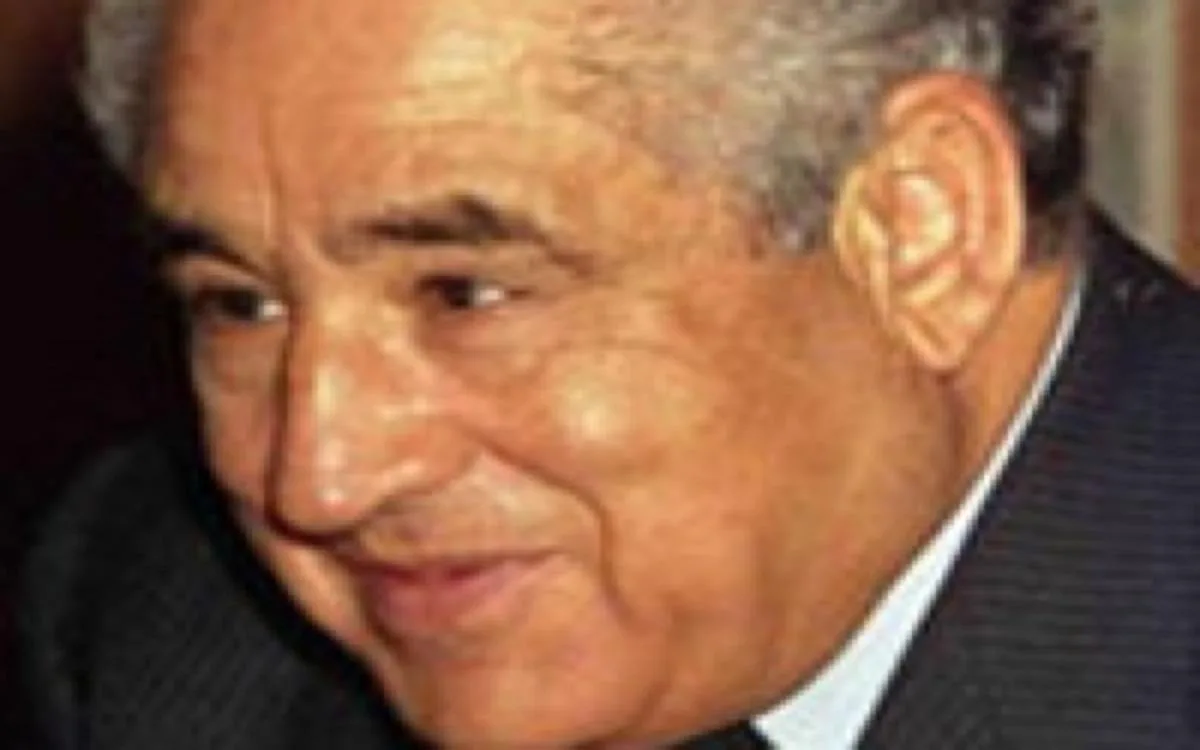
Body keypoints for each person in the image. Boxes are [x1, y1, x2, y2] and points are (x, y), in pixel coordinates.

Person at [19, 0, 1200, 748]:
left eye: (466, 293)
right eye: (239, 304)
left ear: (918, 232)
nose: (321, 477)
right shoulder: (160, 623)